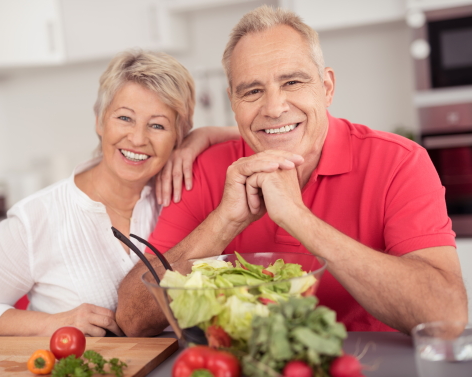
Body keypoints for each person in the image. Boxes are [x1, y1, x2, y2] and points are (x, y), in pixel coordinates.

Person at [116, 5, 468, 337]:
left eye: (293, 83)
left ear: (327, 87)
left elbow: (445, 319)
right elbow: (133, 318)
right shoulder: (204, 170)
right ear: (233, 104)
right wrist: (226, 219)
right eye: (252, 91)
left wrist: (298, 218)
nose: (274, 107)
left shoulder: (400, 162)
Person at [0, 49, 239, 337]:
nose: (137, 138)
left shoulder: (183, 193)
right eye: (124, 118)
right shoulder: (35, 217)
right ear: (99, 120)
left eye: (157, 125)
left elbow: (265, 134)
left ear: (179, 135)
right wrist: (52, 323)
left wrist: (207, 134)